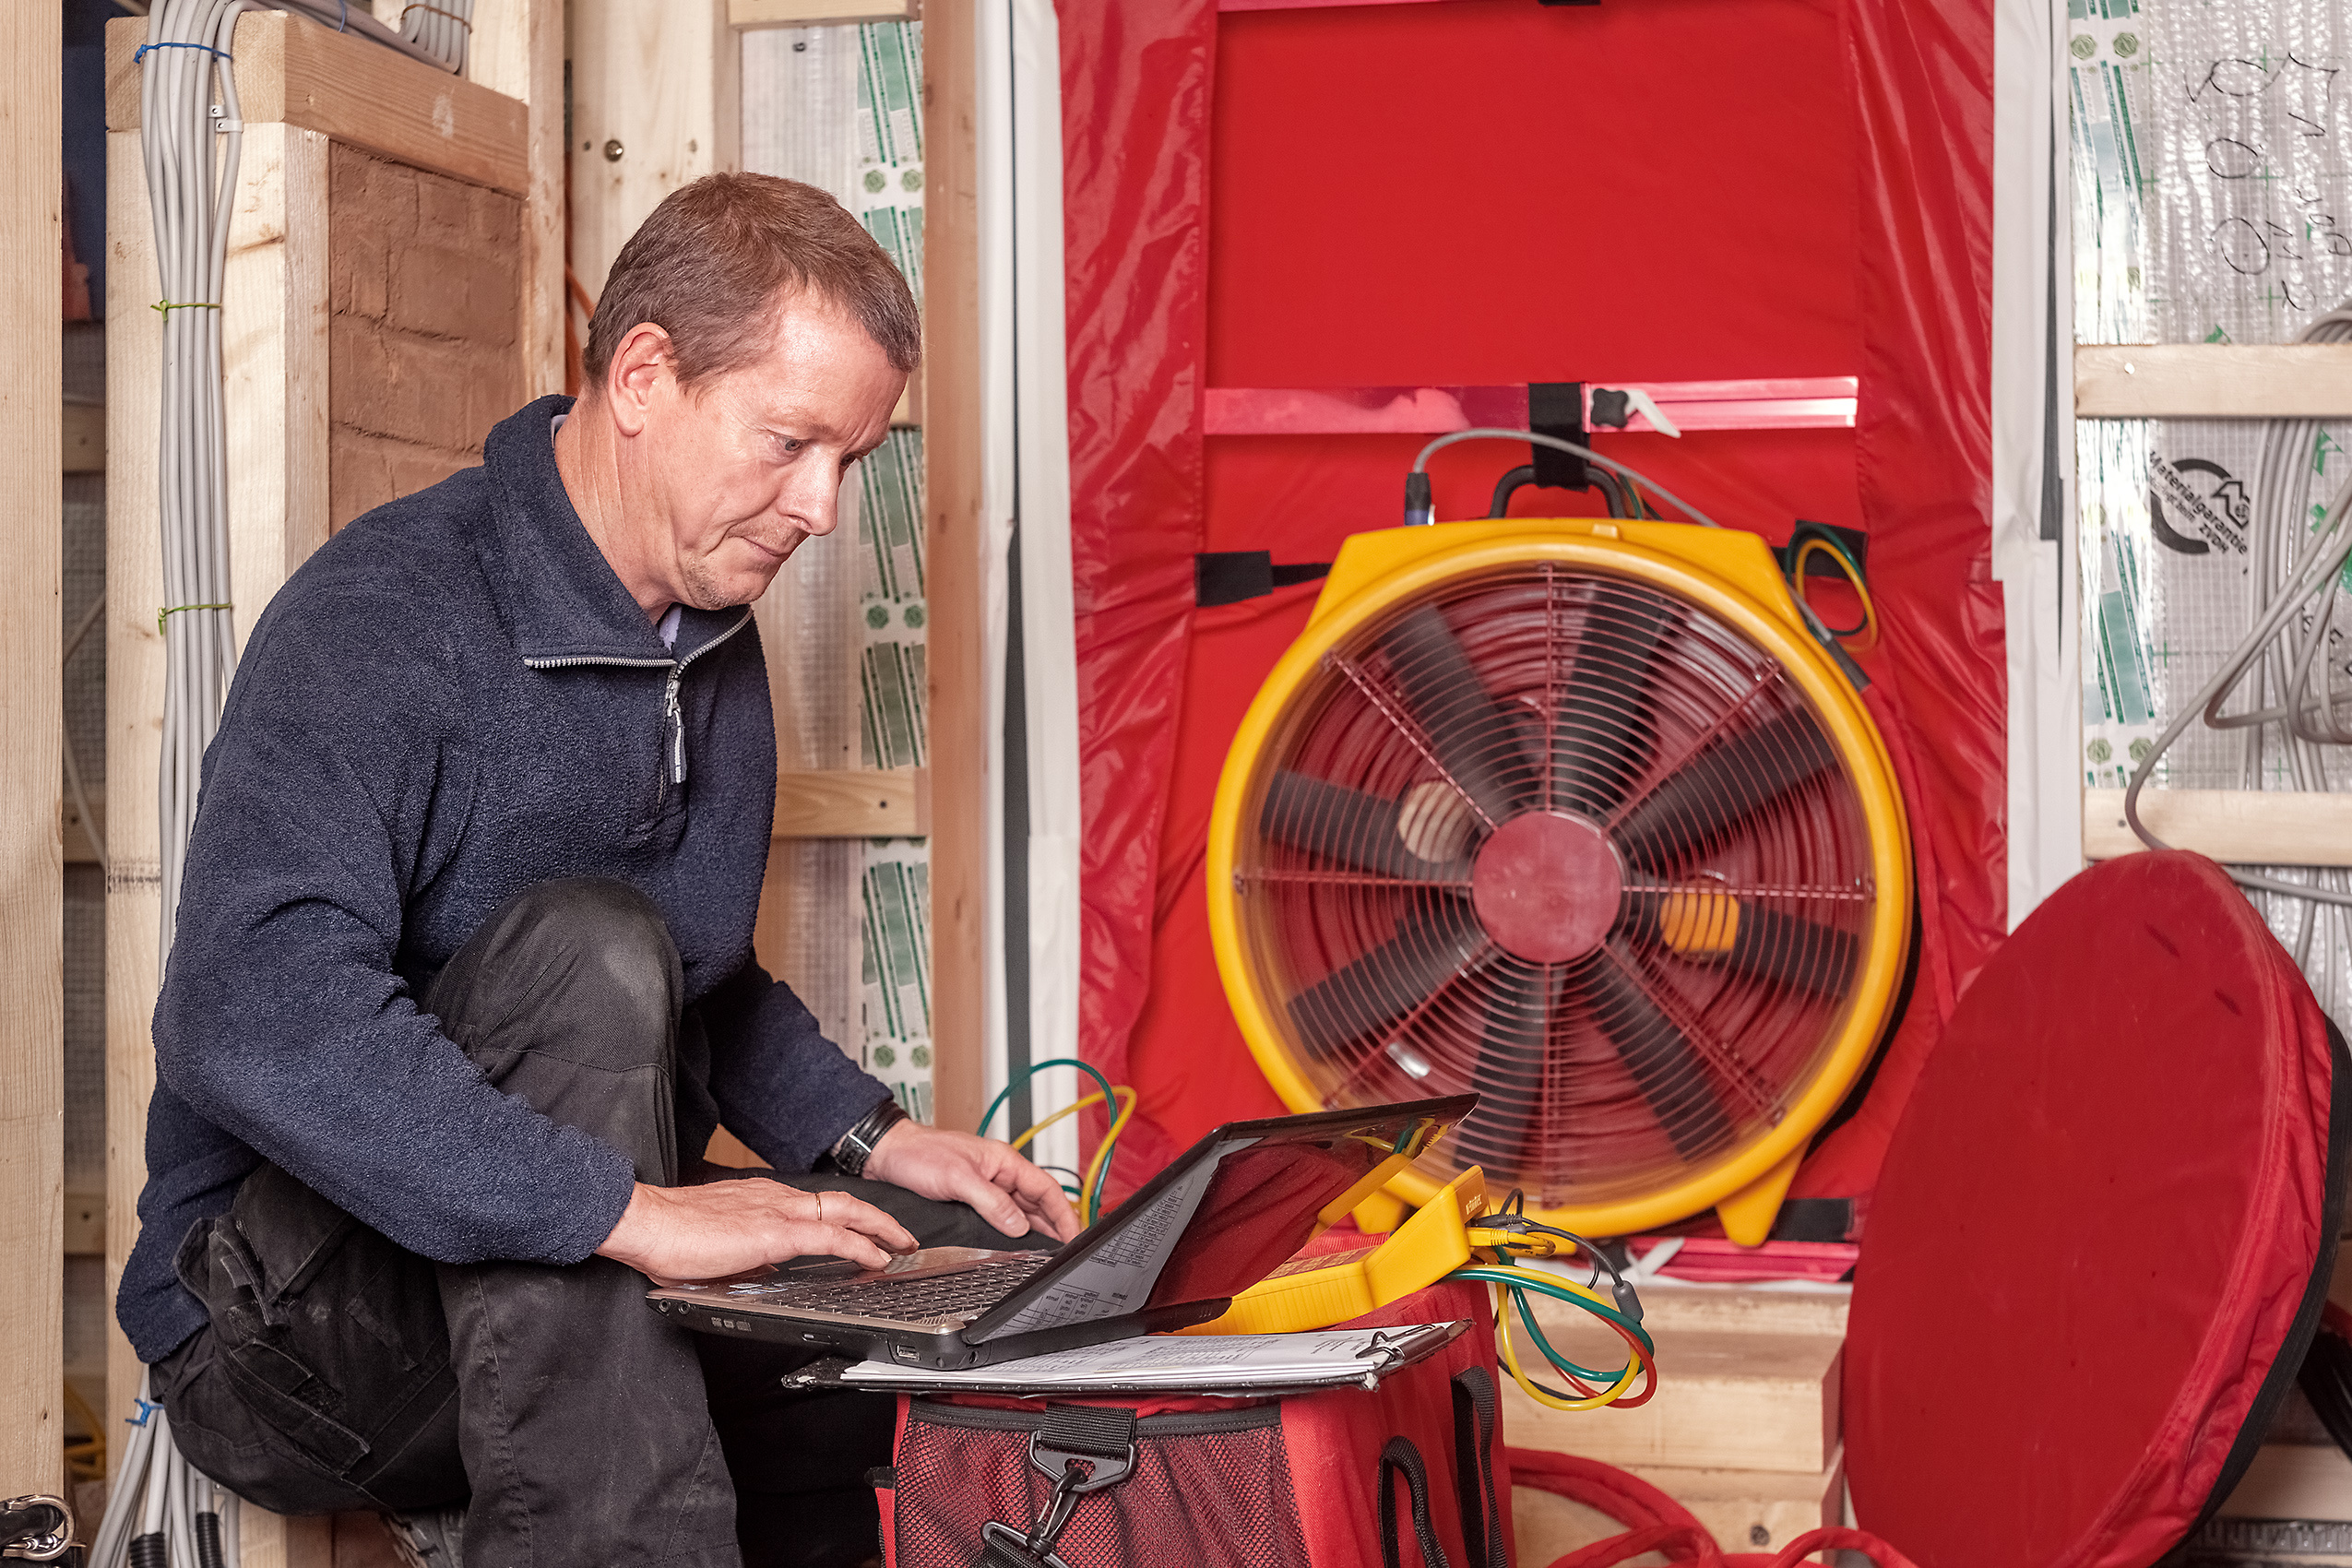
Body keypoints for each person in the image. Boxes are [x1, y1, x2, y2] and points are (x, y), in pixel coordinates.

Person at [117, 172, 1078, 1568]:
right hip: (279, 1334)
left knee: (953, 1267)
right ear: (643, 376)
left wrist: (876, 1141)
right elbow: (248, 1009)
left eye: (851, 461)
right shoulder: (383, 619)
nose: (818, 507)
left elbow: (704, 976)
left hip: (532, 1279)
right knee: (585, 947)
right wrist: (629, 1215)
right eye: (790, 442)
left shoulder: (707, 632)